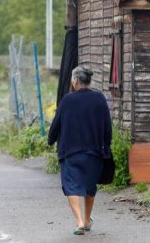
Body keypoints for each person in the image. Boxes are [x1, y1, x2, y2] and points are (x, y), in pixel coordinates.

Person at [48, 66, 112, 235]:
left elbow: (56, 124)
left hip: (70, 152)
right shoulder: (99, 99)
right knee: (89, 187)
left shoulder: (67, 100)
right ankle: (87, 219)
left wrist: (50, 139)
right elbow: (107, 126)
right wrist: (107, 145)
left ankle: (79, 222)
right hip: (94, 152)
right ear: (89, 81)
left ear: (75, 81)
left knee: (72, 186)